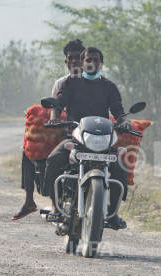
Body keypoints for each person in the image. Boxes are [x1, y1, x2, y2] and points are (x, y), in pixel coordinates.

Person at [43, 46, 131, 230]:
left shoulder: (109, 86)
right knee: (53, 159)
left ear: (101, 63)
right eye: (88, 60)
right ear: (81, 63)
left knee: (121, 165)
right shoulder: (70, 83)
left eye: (96, 60)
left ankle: (113, 212)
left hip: (102, 142)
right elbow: (59, 104)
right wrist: (54, 118)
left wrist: (125, 121)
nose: (92, 63)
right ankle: (55, 207)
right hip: (75, 139)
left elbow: (118, 110)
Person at [12, 39, 85, 220]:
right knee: (30, 149)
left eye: (79, 58)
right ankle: (35, 201)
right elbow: (56, 107)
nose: (75, 61)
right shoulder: (62, 83)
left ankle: (107, 205)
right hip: (67, 132)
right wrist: (54, 120)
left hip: (91, 134)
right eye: (71, 58)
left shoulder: (100, 83)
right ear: (66, 62)